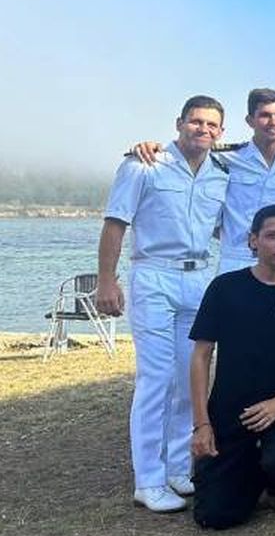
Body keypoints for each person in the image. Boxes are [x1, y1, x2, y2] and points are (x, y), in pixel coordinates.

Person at [97, 95, 229, 513]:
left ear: (221, 133)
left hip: (199, 279)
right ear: (179, 123)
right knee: (155, 379)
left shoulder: (220, 174)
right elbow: (116, 224)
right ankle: (148, 480)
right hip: (155, 274)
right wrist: (106, 281)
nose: (202, 130)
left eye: (211, 125)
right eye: (195, 122)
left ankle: (177, 467)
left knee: (190, 377)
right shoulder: (143, 164)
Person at [189, 205, 275, 528]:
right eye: (272, 236)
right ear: (253, 241)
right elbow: (201, 355)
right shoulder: (224, 289)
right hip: (232, 411)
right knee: (216, 517)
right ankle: (248, 475)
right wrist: (201, 424)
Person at [126, 88, 275, 275]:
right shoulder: (226, 158)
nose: (272, 122)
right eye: (265, 115)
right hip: (236, 262)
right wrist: (151, 146)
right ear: (250, 120)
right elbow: (191, 149)